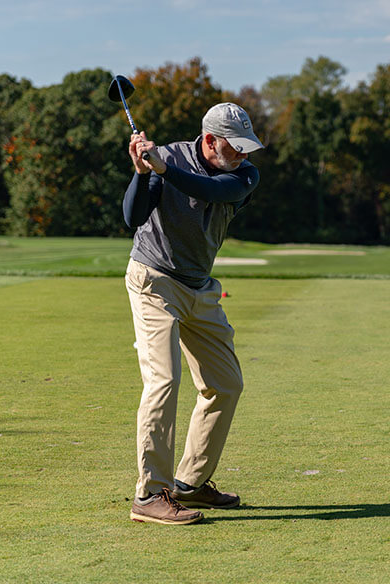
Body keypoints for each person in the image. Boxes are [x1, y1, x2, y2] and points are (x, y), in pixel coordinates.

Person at [123, 102, 264, 525]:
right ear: (209, 140)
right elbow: (131, 216)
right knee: (164, 380)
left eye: (245, 148)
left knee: (226, 383)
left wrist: (164, 170)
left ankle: (190, 483)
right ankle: (150, 495)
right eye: (234, 147)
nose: (242, 155)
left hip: (200, 287)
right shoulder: (167, 157)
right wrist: (143, 172)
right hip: (154, 279)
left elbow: (216, 192)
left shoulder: (244, 175)